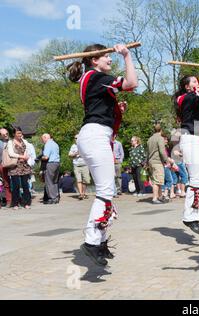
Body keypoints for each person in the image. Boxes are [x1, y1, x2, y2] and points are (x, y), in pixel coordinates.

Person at [67, 43, 138, 266]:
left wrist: (116, 109)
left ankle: (101, 239)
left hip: (95, 135)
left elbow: (100, 105)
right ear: (94, 60)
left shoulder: (91, 79)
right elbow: (131, 83)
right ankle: (92, 241)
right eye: (106, 56)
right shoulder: (96, 77)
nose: (110, 59)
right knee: (106, 191)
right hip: (96, 136)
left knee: (107, 190)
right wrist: (127, 55)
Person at [175, 65, 199, 235]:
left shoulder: (196, 98)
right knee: (196, 179)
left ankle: (192, 216)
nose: (197, 83)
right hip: (189, 139)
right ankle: (190, 217)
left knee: (198, 180)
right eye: (193, 81)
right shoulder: (184, 98)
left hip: (196, 140)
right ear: (186, 86)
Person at [6, 127, 32, 210]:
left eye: (20, 133)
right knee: (16, 185)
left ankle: (26, 203)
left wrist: (26, 157)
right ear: (14, 134)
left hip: (24, 165)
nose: (20, 135)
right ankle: (15, 204)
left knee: (25, 185)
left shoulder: (24, 141)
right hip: (15, 166)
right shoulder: (10, 142)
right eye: (18, 133)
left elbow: (28, 150)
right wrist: (21, 156)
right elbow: (11, 153)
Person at [147, 124, 171, 204]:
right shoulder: (160, 138)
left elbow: (148, 152)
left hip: (151, 162)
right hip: (157, 162)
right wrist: (167, 160)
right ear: (161, 130)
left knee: (158, 180)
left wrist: (146, 162)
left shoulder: (150, 139)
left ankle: (160, 197)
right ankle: (155, 198)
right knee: (157, 181)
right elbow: (162, 151)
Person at [69, 135, 91, 200]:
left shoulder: (85, 145)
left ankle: (83, 193)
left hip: (85, 165)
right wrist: (75, 154)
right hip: (76, 165)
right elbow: (69, 155)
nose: (76, 139)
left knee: (86, 180)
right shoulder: (73, 146)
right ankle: (81, 194)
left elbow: (89, 154)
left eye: (77, 138)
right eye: (75, 138)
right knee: (78, 180)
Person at [41, 134, 60, 205]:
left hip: (51, 163)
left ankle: (52, 198)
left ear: (45, 138)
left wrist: (40, 157)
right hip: (57, 163)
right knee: (55, 181)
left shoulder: (48, 144)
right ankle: (56, 197)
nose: (42, 141)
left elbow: (46, 157)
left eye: (42, 139)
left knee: (49, 181)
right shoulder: (55, 144)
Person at [0, 128, 12, 208]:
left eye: (7, 133)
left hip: (7, 165)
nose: (6, 135)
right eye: (4, 134)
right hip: (1, 163)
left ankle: (9, 201)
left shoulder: (11, 142)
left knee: (7, 183)